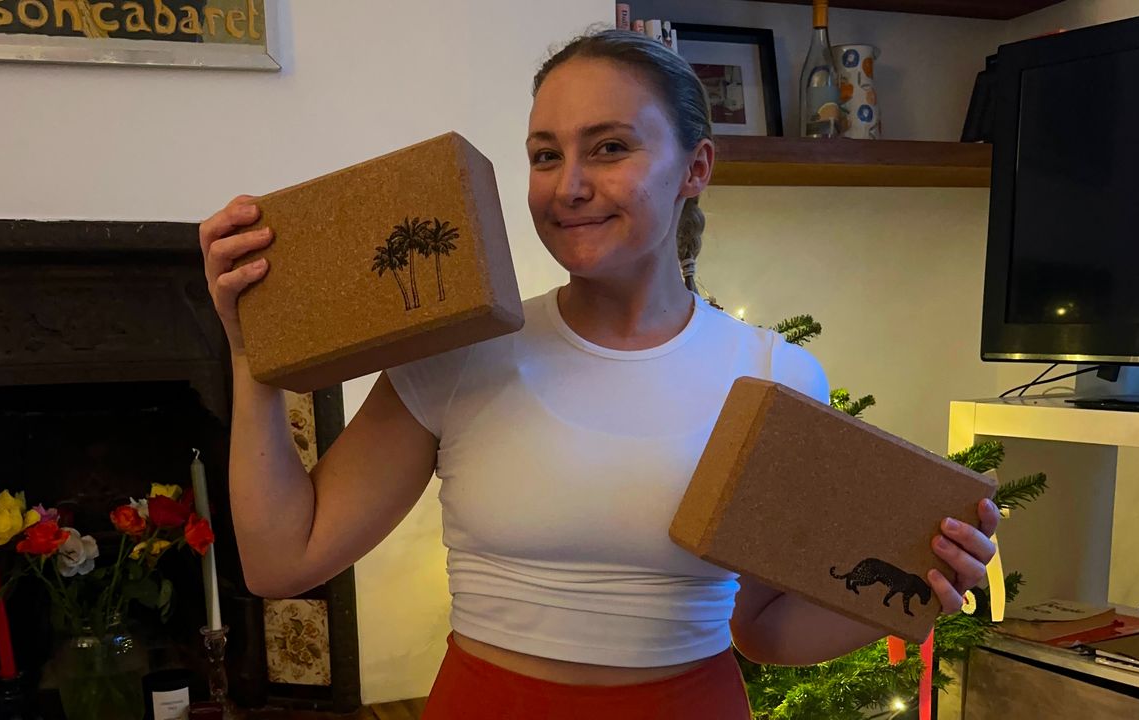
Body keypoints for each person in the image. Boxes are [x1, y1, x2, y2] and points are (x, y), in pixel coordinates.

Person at [199, 28, 1000, 720]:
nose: (569, 184)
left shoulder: (772, 375)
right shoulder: (459, 350)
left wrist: (923, 592)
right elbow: (282, 561)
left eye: (609, 147)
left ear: (695, 168)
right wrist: (254, 354)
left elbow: (763, 629)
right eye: (546, 156)